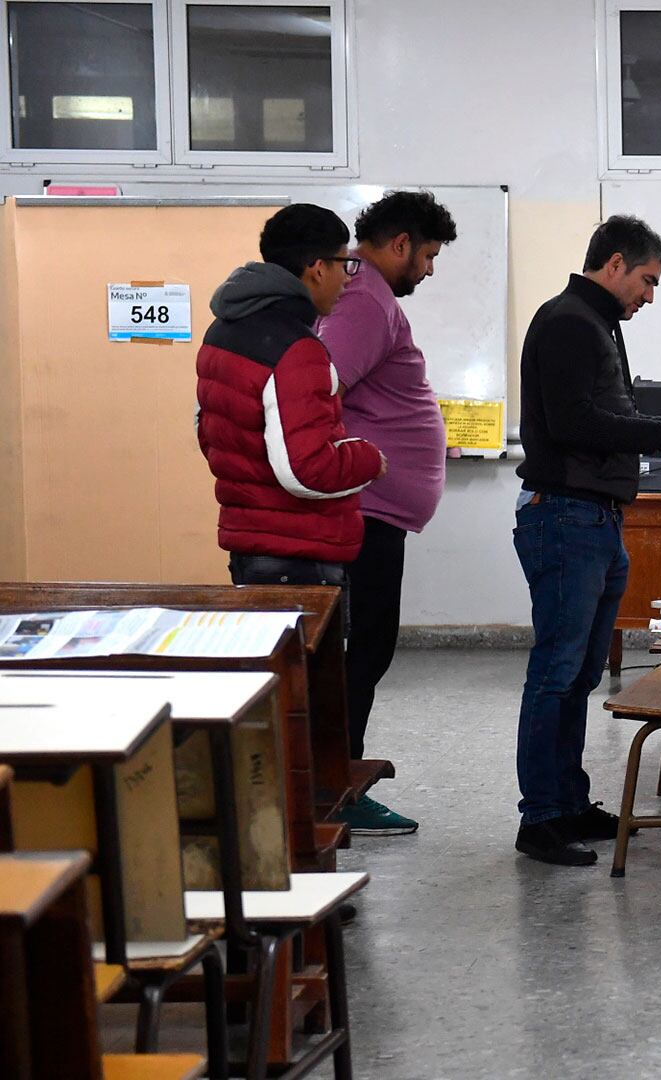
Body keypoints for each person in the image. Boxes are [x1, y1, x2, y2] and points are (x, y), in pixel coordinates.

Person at [511, 216, 661, 867]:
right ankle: (540, 816)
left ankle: (568, 801)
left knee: (577, 675)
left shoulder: (595, 323)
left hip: (594, 518)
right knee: (556, 672)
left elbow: (611, 413)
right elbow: (575, 421)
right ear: (618, 262)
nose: (649, 297)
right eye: (648, 281)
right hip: (566, 518)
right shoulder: (570, 321)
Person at [314, 190, 460, 838]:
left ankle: (334, 779)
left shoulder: (364, 293)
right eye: (427, 255)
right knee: (364, 651)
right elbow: (320, 389)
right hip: (365, 510)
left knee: (366, 649)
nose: (428, 270)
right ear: (399, 242)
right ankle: (336, 786)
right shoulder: (366, 298)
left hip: (378, 510)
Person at [197, 202, 387, 594]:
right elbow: (307, 470)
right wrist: (368, 459)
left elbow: (211, 436)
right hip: (299, 558)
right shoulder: (295, 347)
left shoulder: (224, 330)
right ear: (318, 268)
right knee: (306, 658)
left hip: (253, 550)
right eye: (344, 265)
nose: (348, 279)